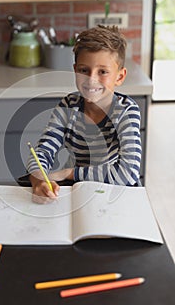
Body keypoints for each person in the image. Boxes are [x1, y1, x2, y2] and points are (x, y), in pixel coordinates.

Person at [27, 25, 142, 203]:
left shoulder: (126, 110)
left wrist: (69, 173)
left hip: (117, 195)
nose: (91, 79)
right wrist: (39, 181)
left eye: (102, 72)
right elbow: (42, 152)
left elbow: (129, 173)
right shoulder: (68, 107)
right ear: (75, 70)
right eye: (84, 70)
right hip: (81, 192)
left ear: (119, 77)